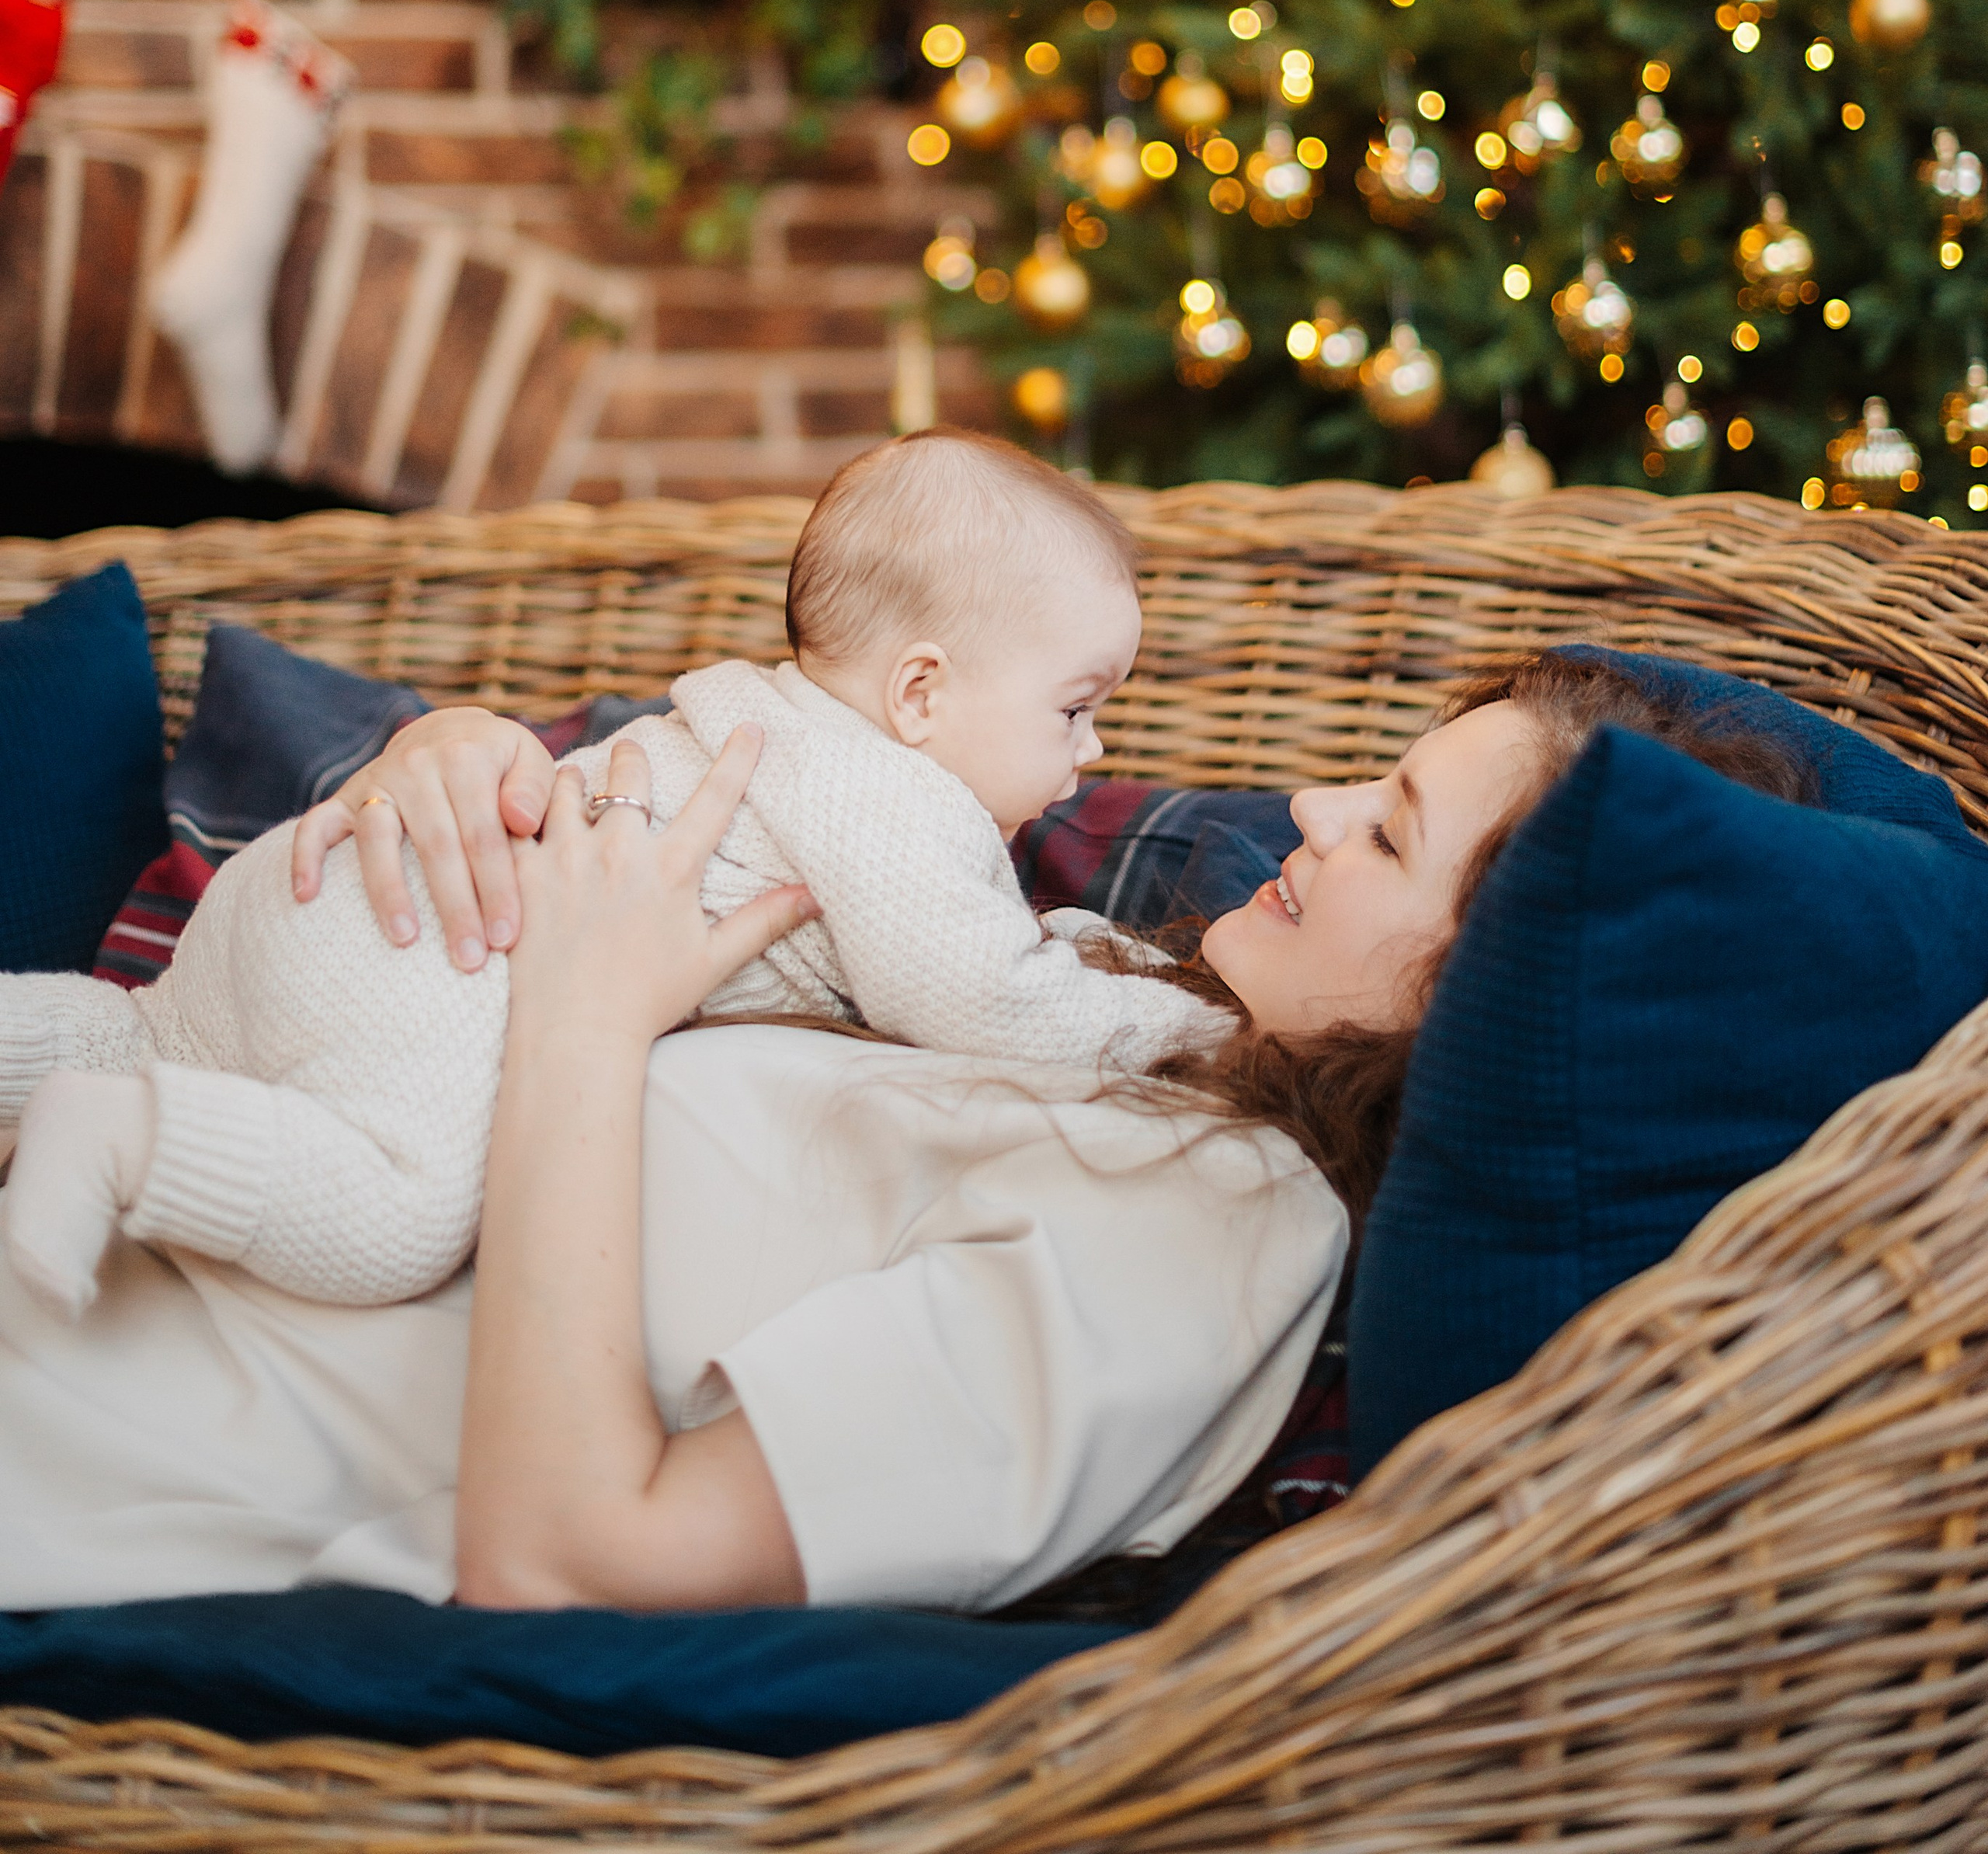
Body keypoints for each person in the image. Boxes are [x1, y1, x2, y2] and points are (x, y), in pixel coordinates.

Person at [0, 644, 1801, 1616]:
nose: (1311, 804)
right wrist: (458, 764)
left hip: (93, 1407)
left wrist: (581, 1015)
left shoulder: (1210, 1232)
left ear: (1473, 1005)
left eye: (1388, 830)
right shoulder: (1109, 985)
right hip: (125, 1189)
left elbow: (568, 1558)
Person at [0, 435, 1219, 1320]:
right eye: (1076, 707)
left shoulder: (770, 728)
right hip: (447, 951)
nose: (1092, 750)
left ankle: (78, 1067)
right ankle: (117, 1137)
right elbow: (985, 997)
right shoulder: (893, 795)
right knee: (399, 1219)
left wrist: (1100, 952)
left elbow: (1009, 943)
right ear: (920, 693)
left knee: (143, 1029)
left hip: (332, 881)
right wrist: (1198, 1027)